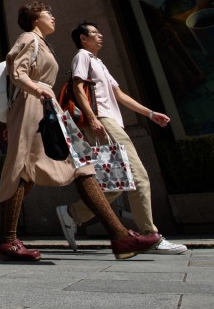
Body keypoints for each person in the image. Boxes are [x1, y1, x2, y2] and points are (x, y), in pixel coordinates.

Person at [0, 1, 161, 261]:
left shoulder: (42, 43)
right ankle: (7, 240)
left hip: (45, 108)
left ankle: (120, 236)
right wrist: (37, 89)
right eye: (47, 12)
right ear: (34, 18)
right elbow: (17, 72)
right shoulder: (28, 38)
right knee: (23, 169)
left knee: (81, 165)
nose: (52, 16)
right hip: (34, 106)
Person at [55, 21, 188, 254]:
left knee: (118, 183)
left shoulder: (99, 63)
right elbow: (77, 88)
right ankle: (150, 235)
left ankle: (73, 213)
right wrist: (93, 118)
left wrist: (149, 113)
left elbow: (119, 94)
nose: (100, 36)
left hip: (111, 122)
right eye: (94, 33)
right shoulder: (82, 57)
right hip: (103, 122)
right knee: (139, 176)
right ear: (83, 39)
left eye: (99, 32)